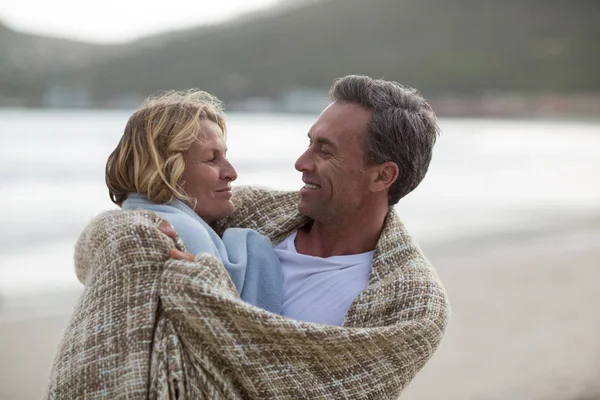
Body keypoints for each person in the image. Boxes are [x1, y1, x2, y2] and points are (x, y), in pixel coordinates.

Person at [46, 75, 449, 399]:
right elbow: (108, 242)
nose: (301, 162)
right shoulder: (251, 210)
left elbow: (318, 390)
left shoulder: (411, 303)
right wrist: (135, 238)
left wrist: (194, 286)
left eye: (324, 151)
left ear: (383, 175)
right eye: (309, 142)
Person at [103, 90, 282, 313]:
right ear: (166, 168)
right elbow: (233, 326)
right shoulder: (181, 230)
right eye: (211, 159)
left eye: (225, 156)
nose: (231, 173)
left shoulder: (127, 220)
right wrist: (254, 246)